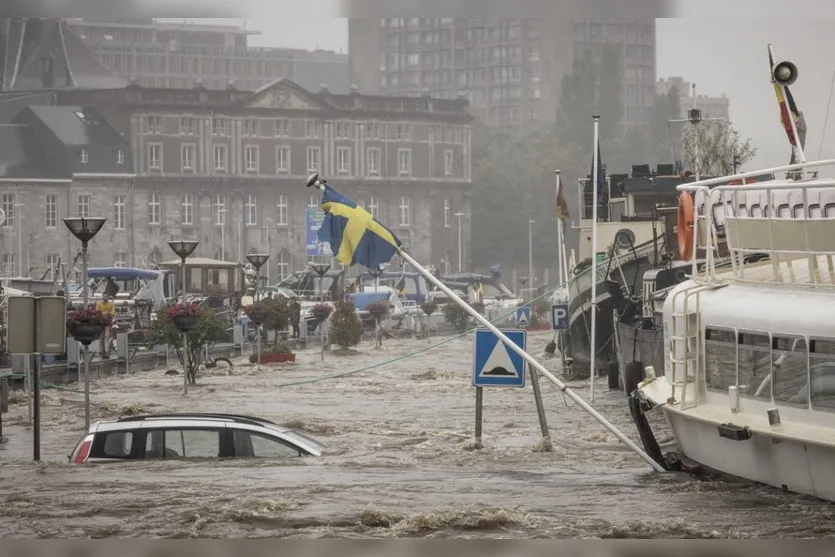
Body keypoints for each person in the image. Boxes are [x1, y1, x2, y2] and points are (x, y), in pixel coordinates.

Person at [96, 294, 116, 358]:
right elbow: (96, 312)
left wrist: (107, 313)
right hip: (100, 323)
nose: (105, 297)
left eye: (106, 296)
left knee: (107, 336)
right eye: (104, 296)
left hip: (108, 323)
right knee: (101, 337)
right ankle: (102, 351)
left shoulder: (111, 304)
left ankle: (106, 351)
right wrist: (106, 313)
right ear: (102, 297)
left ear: (108, 297)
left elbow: (113, 313)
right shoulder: (99, 304)